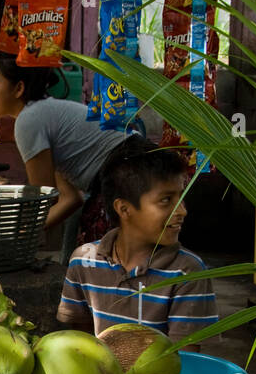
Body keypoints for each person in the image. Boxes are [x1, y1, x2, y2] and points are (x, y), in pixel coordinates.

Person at [56, 136, 218, 346]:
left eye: (181, 197)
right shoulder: (84, 261)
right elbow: (82, 347)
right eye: (166, 200)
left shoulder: (187, 273)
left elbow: (185, 359)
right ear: (124, 209)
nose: (182, 211)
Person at [0, 53, 141, 255]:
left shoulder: (28, 120)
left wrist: (13, 235)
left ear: (19, 88)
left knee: (99, 260)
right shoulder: (43, 112)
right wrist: (24, 231)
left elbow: (44, 197)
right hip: (133, 164)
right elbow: (71, 198)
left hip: (129, 172)